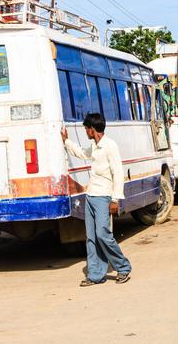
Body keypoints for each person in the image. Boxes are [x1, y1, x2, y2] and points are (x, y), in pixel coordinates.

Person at [61, 113, 132, 286]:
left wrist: (115, 199)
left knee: (103, 234)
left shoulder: (110, 146)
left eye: (87, 128)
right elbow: (82, 153)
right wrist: (66, 142)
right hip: (91, 195)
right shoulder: (94, 145)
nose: (86, 131)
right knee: (91, 238)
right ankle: (95, 275)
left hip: (104, 197)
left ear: (93, 129)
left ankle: (123, 267)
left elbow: (118, 173)